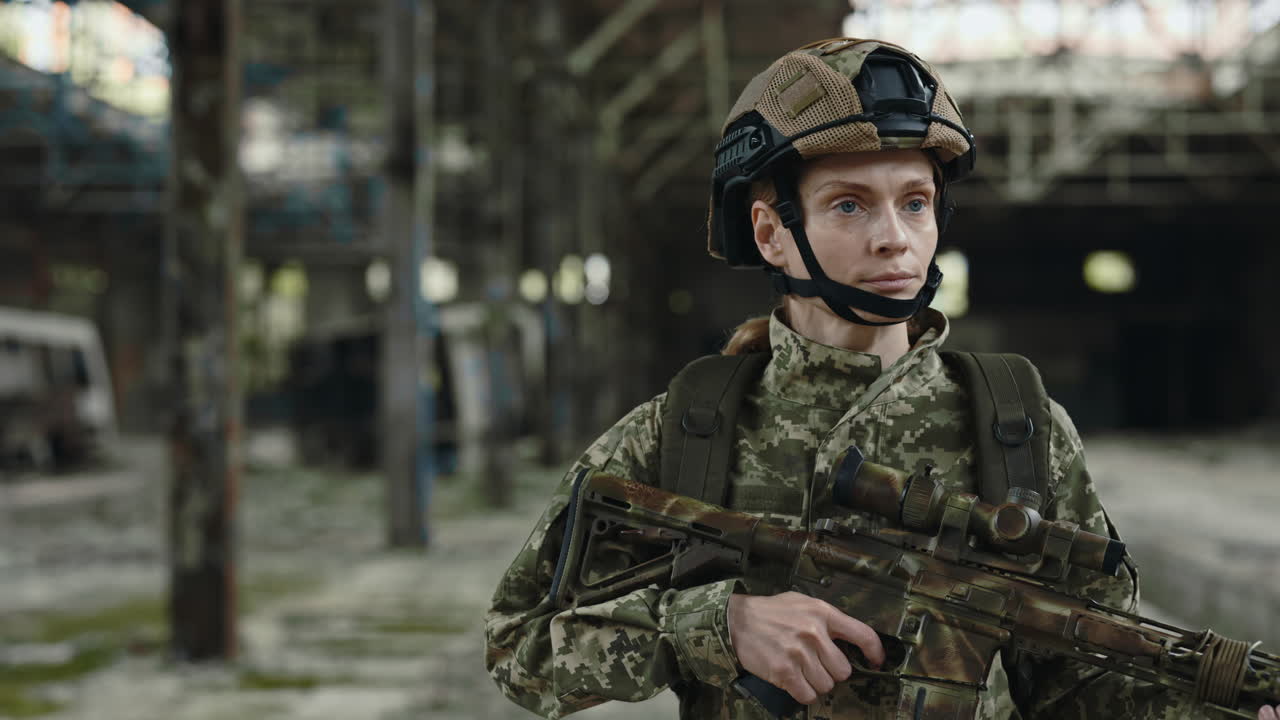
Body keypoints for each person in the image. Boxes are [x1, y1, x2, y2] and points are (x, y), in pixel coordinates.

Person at [485, 37, 1276, 720]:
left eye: (916, 203)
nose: (897, 240)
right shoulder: (687, 428)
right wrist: (717, 624)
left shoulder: (1016, 424)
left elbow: (1083, 682)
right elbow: (519, 644)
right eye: (850, 206)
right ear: (772, 233)